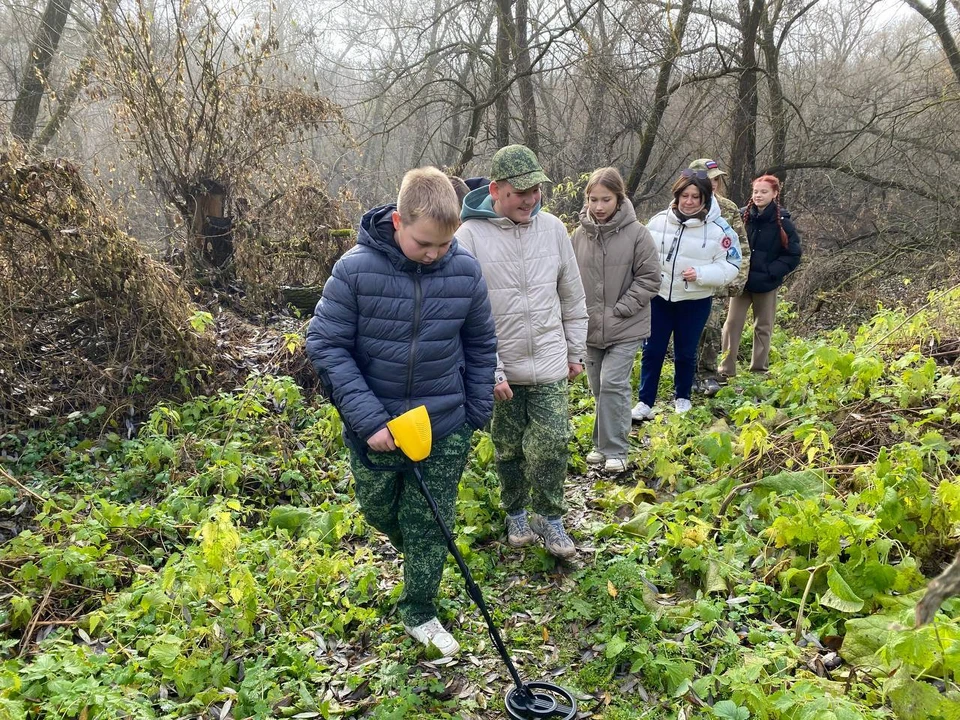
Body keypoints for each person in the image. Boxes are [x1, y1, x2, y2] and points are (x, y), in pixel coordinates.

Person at [306, 167, 497, 658]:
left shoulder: (465, 271)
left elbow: (479, 343)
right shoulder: (354, 270)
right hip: (379, 425)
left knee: (429, 521)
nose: (434, 255)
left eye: (443, 245)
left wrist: (475, 410)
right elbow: (326, 344)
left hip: (445, 423)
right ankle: (420, 553)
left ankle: (420, 609)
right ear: (397, 221)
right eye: (423, 244)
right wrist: (368, 420)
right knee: (378, 510)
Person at [457, 144, 588, 559]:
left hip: (550, 360)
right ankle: (515, 510)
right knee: (509, 446)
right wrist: (490, 370)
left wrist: (575, 350)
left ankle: (551, 519)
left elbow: (572, 295)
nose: (531, 200)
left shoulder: (552, 229)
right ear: (496, 190)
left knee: (554, 442)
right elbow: (465, 313)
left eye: (537, 191)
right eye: (521, 192)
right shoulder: (469, 237)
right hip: (502, 368)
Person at [570, 167, 660, 473]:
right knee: (598, 387)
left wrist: (622, 307)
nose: (598, 206)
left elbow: (650, 279)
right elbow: (567, 278)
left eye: (605, 199)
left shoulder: (638, 234)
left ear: (618, 198)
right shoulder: (579, 235)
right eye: (593, 199)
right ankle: (601, 444)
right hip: (589, 326)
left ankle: (617, 450)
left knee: (613, 383)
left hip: (626, 324)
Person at [631, 170, 741, 420]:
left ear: (705, 199)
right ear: (677, 195)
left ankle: (682, 398)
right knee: (653, 350)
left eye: (695, 196)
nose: (689, 201)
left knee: (685, 352)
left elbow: (732, 264)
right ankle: (645, 402)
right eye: (684, 195)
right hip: (659, 299)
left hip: (694, 301)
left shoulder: (719, 229)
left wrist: (702, 273)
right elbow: (639, 256)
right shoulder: (658, 222)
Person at [719, 174, 801, 378]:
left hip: (766, 284)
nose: (758, 195)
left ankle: (758, 371)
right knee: (731, 324)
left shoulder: (783, 222)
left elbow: (793, 253)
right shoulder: (741, 216)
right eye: (756, 191)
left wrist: (772, 272)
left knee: (763, 327)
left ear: (774, 194)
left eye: (764, 191)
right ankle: (726, 370)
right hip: (741, 282)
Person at [687, 159, 749, 397]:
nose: (712, 184)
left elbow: (741, 248)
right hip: (688, 282)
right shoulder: (684, 205)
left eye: (715, 179)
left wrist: (736, 281)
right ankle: (688, 374)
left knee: (711, 328)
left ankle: (708, 374)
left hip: (717, 281)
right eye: (706, 179)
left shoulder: (728, 208)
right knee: (688, 329)